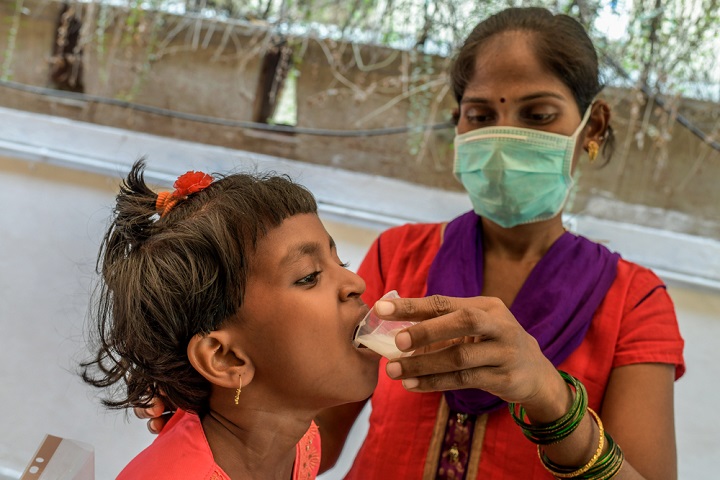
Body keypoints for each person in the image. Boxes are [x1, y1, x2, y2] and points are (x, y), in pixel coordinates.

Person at [139, 7, 685, 479]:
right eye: (481, 116)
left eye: (537, 116)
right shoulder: (400, 255)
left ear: (592, 127)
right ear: (458, 126)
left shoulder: (634, 302)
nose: (503, 137)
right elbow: (310, 429)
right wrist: (223, 412)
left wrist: (550, 398)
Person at [81, 160, 380, 479]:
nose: (356, 283)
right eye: (309, 276)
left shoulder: (300, 444)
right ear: (225, 357)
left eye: (340, 261)